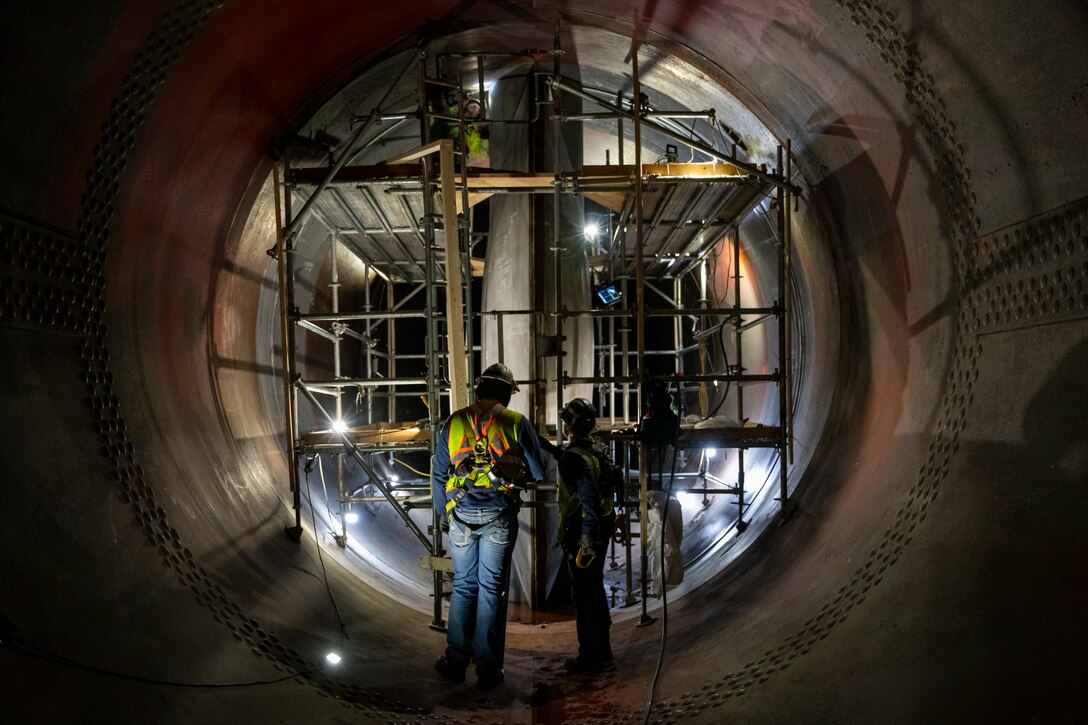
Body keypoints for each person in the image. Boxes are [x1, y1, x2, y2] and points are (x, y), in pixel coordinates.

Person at [431, 363, 545, 690]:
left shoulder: (455, 421)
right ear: (507, 392)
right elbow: (538, 472)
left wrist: (445, 513)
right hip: (499, 515)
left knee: (464, 587)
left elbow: (438, 471)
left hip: (461, 516)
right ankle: (488, 671)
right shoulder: (516, 422)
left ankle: (456, 662)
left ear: (480, 388)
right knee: (491, 589)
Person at [543, 397, 616, 673]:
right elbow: (576, 463)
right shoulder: (595, 448)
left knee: (584, 596)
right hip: (601, 527)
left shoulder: (574, 459)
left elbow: (587, 495)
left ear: (569, 427)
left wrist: (586, 537)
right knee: (595, 589)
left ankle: (589, 657)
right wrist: (547, 447)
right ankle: (603, 650)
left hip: (582, 533)